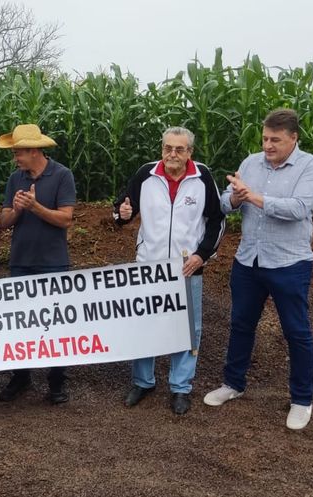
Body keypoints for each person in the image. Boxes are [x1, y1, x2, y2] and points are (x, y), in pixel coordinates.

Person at [203, 108, 313, 430]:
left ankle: (301, 400)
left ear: (294, 138)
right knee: (241, 324)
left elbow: (299, 209)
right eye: (265, 139)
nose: (268, 145)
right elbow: (225, 202)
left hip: (290, 263)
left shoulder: (310, 167)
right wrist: (235, 198)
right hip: (248, 260)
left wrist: (253, 196)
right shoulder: (250, 163)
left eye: (276, 140)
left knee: (296, 332)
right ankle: (233, 384)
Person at [113, 126, 225, 415]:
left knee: (187, 327)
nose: (172, 154)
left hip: (186, 267)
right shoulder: (146, 174)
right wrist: (122, 215)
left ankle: (180, 386)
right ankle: (143, 381)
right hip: (149, 266)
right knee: (143, 323)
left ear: (190, 152)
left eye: (179, 149)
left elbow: (217, 220)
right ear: (161, 148)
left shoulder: (202, 177)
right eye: (167, 148)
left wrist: (202, 255)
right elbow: (122, 208)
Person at [0, 124, 77, 404]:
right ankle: (21, 377)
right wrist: (18, 210)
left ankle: (57, 381)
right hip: (21, 261)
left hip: (53, 263)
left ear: (34, 151)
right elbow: (3, 222)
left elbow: (66, 219)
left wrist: (35, 207)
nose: (15, 158)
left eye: (18, 153)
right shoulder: (15, 179)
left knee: (56, 322)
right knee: (20, 322)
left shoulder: (62, 175)